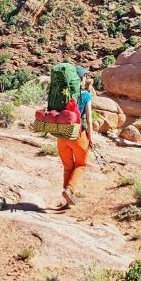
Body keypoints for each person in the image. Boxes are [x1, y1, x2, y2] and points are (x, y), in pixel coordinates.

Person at [56, 73, 95, 207]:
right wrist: (91, 137)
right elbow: (89, 119)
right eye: (84, 77)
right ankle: (69, 189)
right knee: (81, 164)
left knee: (68, 166)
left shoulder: (63, 94)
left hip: (61, 135)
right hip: (77, 134)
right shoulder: (86, 96)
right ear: (79, 79)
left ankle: (67, 198)